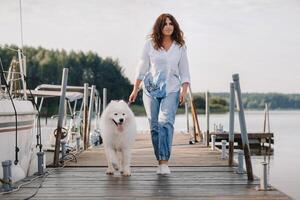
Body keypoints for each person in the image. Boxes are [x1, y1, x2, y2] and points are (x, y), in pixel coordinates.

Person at [129, 13, 191, 175]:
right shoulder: (150, 44)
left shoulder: (180, 47)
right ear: (160, 27)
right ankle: (159, 159)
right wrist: (135, 88)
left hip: (171, 90)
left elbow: (185, 71)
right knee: (155, 127)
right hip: (151, 91)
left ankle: (164, 162)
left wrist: (184, 90)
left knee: (165, 122)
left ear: (174, 26)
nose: (168, 26)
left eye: (171, 23)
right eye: (165, 24)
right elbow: (142, 67)